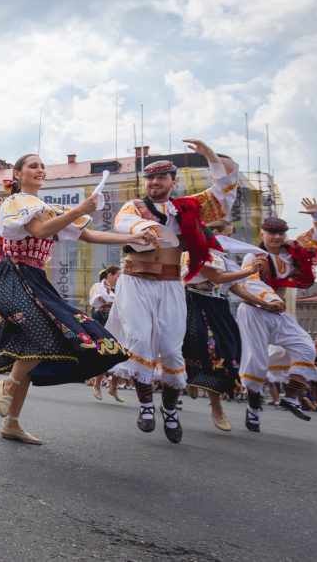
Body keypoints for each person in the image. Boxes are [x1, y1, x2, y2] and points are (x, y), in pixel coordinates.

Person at [0, 155, 143, 445]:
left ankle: (12, 422)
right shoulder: (16, 203)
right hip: (12, 274)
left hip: (35, 279)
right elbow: (40, 230)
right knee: (40, 334)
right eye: (33, 166)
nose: (40, 170)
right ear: (18, 175)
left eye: (42, 166)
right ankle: (8, 384)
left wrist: (132, 239)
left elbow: (90, 235)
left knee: (36, 349)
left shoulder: (48, 208)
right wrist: (81, 208)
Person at [107, 141, 240, 444]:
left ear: (173, 181)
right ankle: (144, 407)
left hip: (169, 285)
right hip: (135, 282)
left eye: (162, 177)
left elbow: (225, 189)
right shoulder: (135, 207)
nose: (155, 183)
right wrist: (145, 229)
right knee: (138, 339)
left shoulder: (189, 207)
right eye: (151, 178)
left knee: (170, 348)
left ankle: (169, 410)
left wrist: (209, 155)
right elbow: (123, 223)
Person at [231, 203, 317, 431]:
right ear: (262, 234)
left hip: (278, 314)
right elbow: (252, 281)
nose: (276, 237)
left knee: (306, 347)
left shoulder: (294, 251)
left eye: (280, 233)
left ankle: (291, 396)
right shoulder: (254, 256)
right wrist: (270, 299)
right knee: (256, 362)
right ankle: (254, 409)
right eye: (272, 232)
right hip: (254, 312)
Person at [180, 238, 264, 432]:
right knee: (210, 349)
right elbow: (217, 278)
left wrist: (264, 302)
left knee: (230, 347)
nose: (229, 240)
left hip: (218, 305)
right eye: (226, 234)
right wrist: (250, 270)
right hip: (195, 303)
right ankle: (215, 407)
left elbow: (234, 286)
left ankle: (193, 381)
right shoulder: (197, 253)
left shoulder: (220, 259)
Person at [87, 265, 123, 402]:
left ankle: (113, 387)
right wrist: (110, 300)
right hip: (102, 321)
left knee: (121, 354)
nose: (119, 278)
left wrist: (111, 300)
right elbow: (98, 300)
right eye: (118, 275)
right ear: (110, 275)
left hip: (117, 322)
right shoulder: (98, 286)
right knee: (106, 352)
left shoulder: (120, 289)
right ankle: (96, 385)